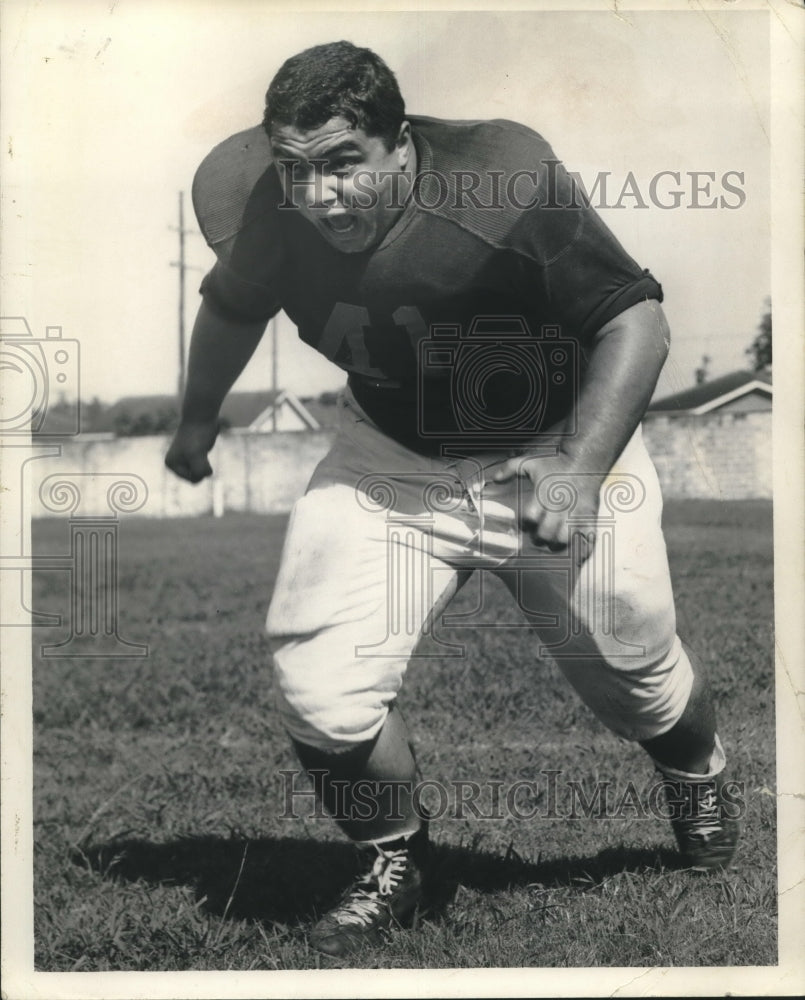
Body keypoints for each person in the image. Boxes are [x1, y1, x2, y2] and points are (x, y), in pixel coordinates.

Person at [165, 40, 739, 957]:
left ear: (400, 145)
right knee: (321, 682)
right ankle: (401, 863)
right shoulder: (262, 209)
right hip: (391, 451)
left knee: (632, 659)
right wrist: (195, 422)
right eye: (295, 169)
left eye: (344, 164)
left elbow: (635, 318)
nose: (318, 196)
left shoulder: (501, 186)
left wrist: (580, 467)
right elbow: (233, 307)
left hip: (552, 442)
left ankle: (693, 771)